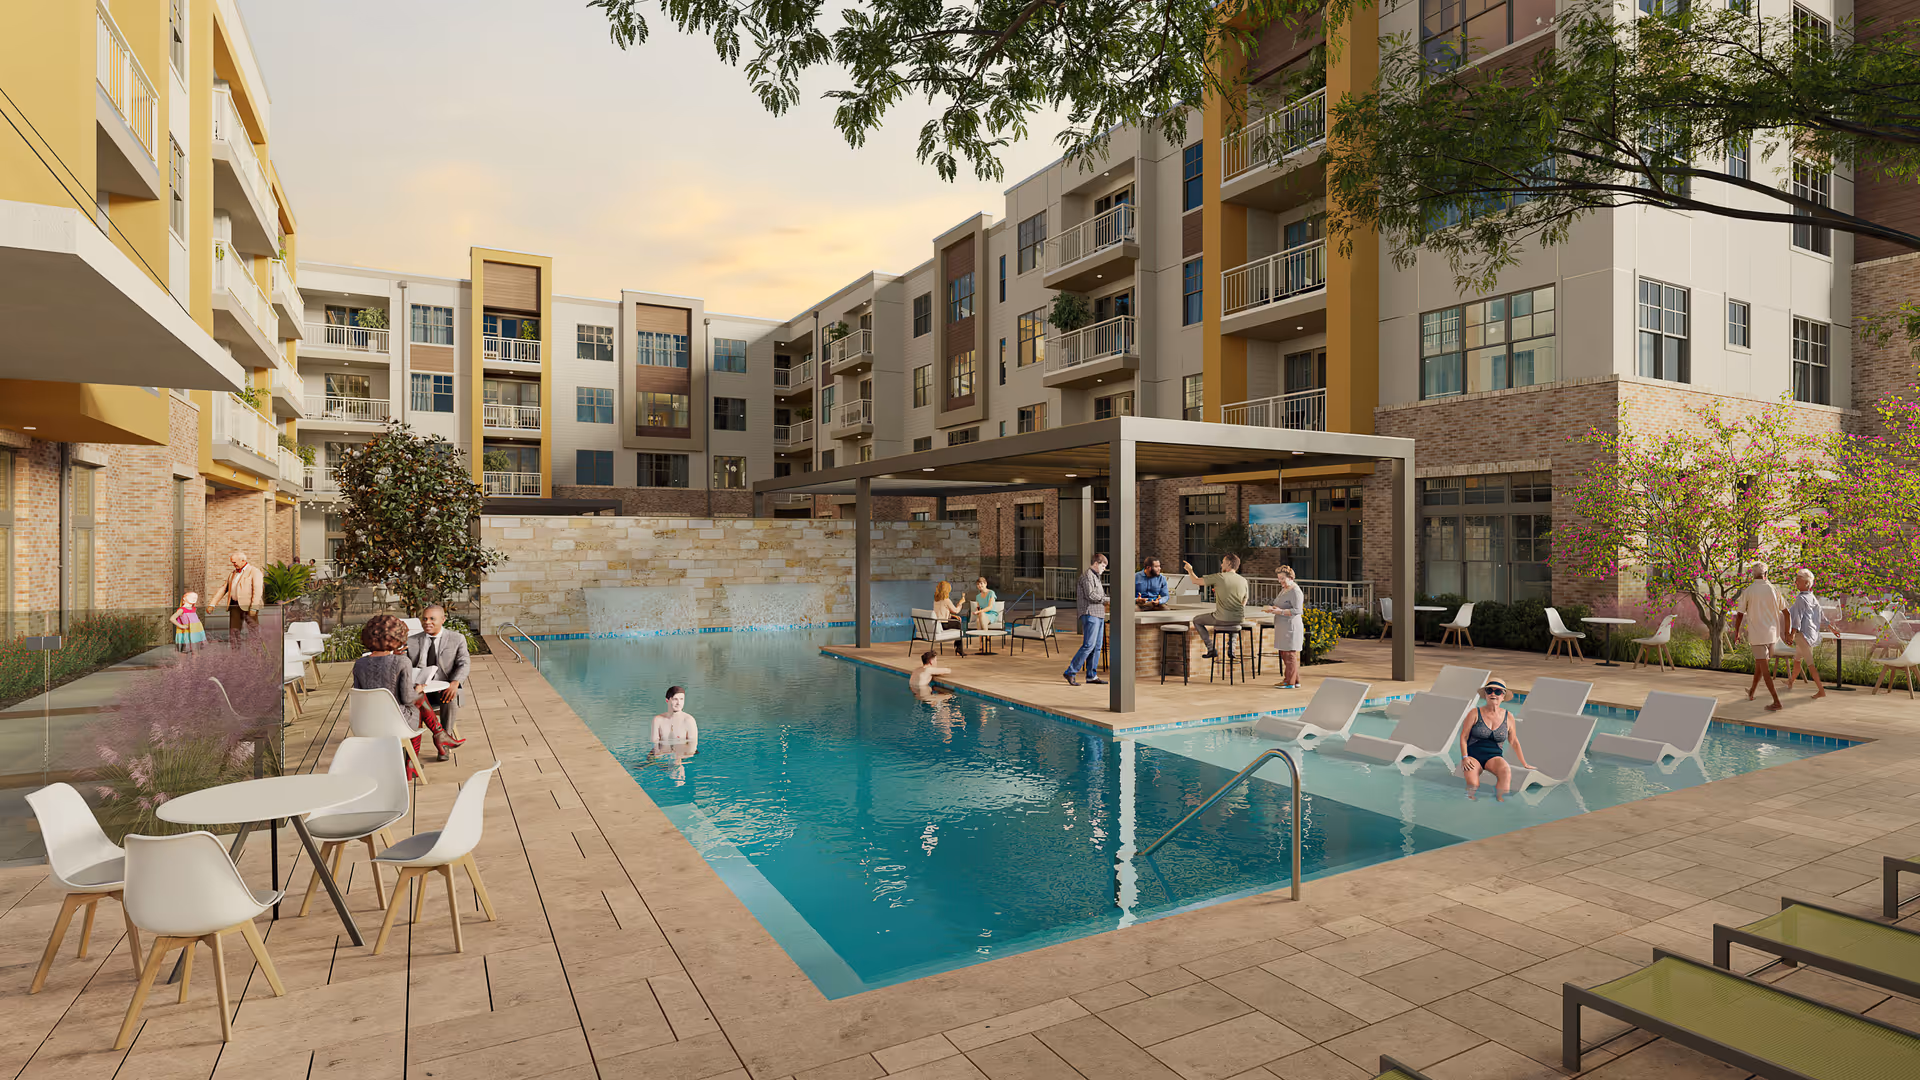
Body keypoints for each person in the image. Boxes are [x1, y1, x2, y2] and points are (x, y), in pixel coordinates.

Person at [352, 614, 459, 775]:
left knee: (416, 702)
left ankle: (439, 735)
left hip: (366, 723)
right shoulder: (401, 662)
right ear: (398, 636)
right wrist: (418, 689)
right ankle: (413, 763)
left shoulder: (359, 664)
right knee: (417, 707)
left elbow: (360, 694)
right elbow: (407, 699)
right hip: (396, 724)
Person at [1459, 677, 1532, 800]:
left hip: (1494, 757)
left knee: (1506, 771)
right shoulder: (1475, 713)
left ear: (1503, 696)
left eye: (1497, 692)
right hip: (1473, 757)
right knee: (1473, 785)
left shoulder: (1508, 716)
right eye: (1489, 691)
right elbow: (1463, 736)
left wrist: (1524, 763)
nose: (1493, 694)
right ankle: (1470, 805)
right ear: (1486, 694)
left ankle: (1500, 802)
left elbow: (1513, 741)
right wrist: (1465, 757)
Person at [407, 604, 471, 736]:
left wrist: (455, 683)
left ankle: (446, 738)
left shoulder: (456, 639)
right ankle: (412, 740)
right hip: (418, 688)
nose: (427, 622)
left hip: (442, 687)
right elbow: (403, 665)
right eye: (424, 619)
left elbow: (464, 663)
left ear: (443, 619)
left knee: (450, 697)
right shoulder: (411, 640)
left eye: (432, 619)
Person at [1731, 561, 1786, 711]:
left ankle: (1776, 701)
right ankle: (1752, 692)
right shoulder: (1774, 589)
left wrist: (1737, 632)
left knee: (1764, 668)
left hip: (1758, 635)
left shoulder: (1749, 591)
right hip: (1772, 635)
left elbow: (1740, 614)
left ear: (1753, 575)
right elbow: (1786, 612)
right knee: (1760, 665)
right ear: (1766, 574)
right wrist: (1787, 632)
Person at [1181, 554, 1249, 660]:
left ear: (1228, 564)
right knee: (1234, 622)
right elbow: (1244, 599)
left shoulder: (1220, 577)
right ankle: (1231, 649)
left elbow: (1196, 581)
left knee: (1197, 620)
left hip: (1221, 618)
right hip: (1239, 618)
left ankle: (1211, 648)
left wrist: (1190, 570)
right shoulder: (1243, 580)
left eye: (1223, 562)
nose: (1221, 565)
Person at [1064, 553, 1109, 686]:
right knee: (1089, 645)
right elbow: (1091, 595)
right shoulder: (1087, 576)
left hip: (1099, 614)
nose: (1104, 569)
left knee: (1097, 647)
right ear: (1096, 563)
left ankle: (1091, 676)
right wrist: (1107, 599)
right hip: (1090, 614)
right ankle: (1070, 672)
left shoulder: (1096, 576)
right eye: (1103, 566)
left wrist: (1104, 600)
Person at [1784, 568, 1827, 699]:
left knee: (1810, 663)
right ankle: (1790, 682)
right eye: (1796, 580)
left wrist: (1792, 634)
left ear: (1806, 583)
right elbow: (1821, 615)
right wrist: (1831, 626)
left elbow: (1797, 618)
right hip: (1810, 634)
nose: (1796, 583)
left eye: (1798, 580)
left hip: (1803, 635)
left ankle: (1821, 690)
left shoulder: (1801, 598)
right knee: (1797, 660)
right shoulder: (1812, 597)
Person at [1264, 566, 1305, 689]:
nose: (1280, 581)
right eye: (1279, 578)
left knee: (1289, 654)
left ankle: (1289, 682)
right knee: (1285, 653)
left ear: (1290, 578)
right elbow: (1281, 605)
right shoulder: (1284, 590)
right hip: (1282, 626)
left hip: (1291, 626)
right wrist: (1274, 609)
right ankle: (1295, 680)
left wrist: (1280, 612)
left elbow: (1297, 610)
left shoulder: (1295, 591)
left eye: (1282, 578)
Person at [210, 551, 263, 645]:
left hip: (249, 606)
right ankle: (235, 652)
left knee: (254, 630)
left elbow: (257, 591)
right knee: (234, 631)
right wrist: (212, 604)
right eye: (232, 562)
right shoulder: (233, 573)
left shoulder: (254, 571)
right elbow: (223, 589)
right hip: (234, 605)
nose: (233, 564)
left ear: (242, 560)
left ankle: (257, 650)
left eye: (234, 562)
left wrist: (254, 607)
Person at [932, 580, 968, 656]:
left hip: (938, 623)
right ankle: (959, 648)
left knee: (956, 620)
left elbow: (942, 612)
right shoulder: (946, 600)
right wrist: (960, 603)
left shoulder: (936, 600)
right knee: (958, 624)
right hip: (944, 624)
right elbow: (956, 610)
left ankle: (958, 645)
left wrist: (952, 616)